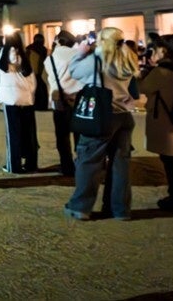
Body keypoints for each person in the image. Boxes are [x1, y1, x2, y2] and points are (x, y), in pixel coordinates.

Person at [63, 26, 139, 221]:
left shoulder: (98, 60)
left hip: (102, 116)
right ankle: (120, 209)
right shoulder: (128, 58)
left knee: (89, 161)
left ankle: (80, 206)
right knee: (120, 164)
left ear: (103, 42)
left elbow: (74, 72)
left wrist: (80, 54)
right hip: (124, 116)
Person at [137, 33, 173, 214]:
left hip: (166, 122)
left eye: (155, 49)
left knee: (171, 162)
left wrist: (144, 73)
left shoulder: (161, 72)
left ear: (163, 50)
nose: (153, 52)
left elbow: (143, 88)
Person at [0, 31, 38, 174]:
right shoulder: (25, 58)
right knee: (29, 134)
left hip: (10, 101)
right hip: (27, 100)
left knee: (13, 134)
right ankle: (31, 164)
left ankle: (14, 165)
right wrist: (29, 95)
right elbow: (33, 82)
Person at [44, 29, 82, 176]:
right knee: (80, 133)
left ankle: (67, 166)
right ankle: (82, 163)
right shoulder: (79, 55)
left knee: (62, 135)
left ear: (59, 41)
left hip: (59, 100)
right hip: (78, 98)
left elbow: (49, 78)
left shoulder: (50, 59)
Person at [26, 33, 49, 111]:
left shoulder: (28, 48)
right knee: (41, 88)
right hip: (38, 73)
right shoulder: (43, 49)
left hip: (29, 72)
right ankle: (41, 106)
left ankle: (33, 104)